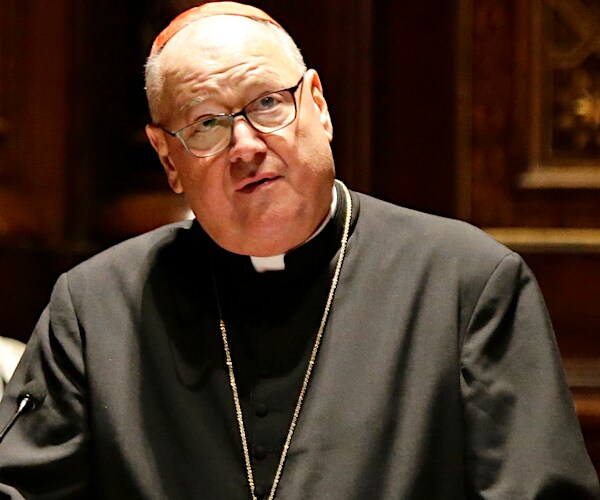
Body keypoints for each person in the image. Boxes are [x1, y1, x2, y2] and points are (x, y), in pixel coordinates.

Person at [0, 2, 598, 498]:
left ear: (318, 103)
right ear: (167, 159)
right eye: (206, 123)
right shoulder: (95, 307)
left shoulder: (466, 283)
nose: (245, 145)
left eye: (266, 103)